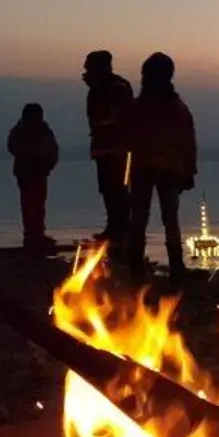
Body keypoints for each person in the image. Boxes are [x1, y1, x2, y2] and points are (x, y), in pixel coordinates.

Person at [121, 52, 197, 279]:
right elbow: (188, 141)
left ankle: (136, 267)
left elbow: (127, 138)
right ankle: (176, 266)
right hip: (168, 169)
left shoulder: (138, 107)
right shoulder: (177, 108)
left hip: (144, 168)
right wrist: (189, 171)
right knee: (170, 219)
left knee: (139, 218)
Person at [82, 50, 134, 242]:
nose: (85, 70)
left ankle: (122, 228)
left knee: (118, 188)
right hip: (103, 148)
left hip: (118, 149)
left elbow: (124, 117)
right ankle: (114, 226)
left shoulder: (117, 87)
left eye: (89, 67)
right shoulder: (97, 90)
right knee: (106, 187)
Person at [7, 103, 59, 250]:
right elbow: (13, 146)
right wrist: (29, 157)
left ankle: (38, 234)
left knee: (39, 205)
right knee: (29, 205)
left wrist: (48, 164)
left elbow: (53, 149)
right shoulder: (19, 131)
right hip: (26, 172)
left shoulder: (45, 130)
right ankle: (31, 235)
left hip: (40, 172)